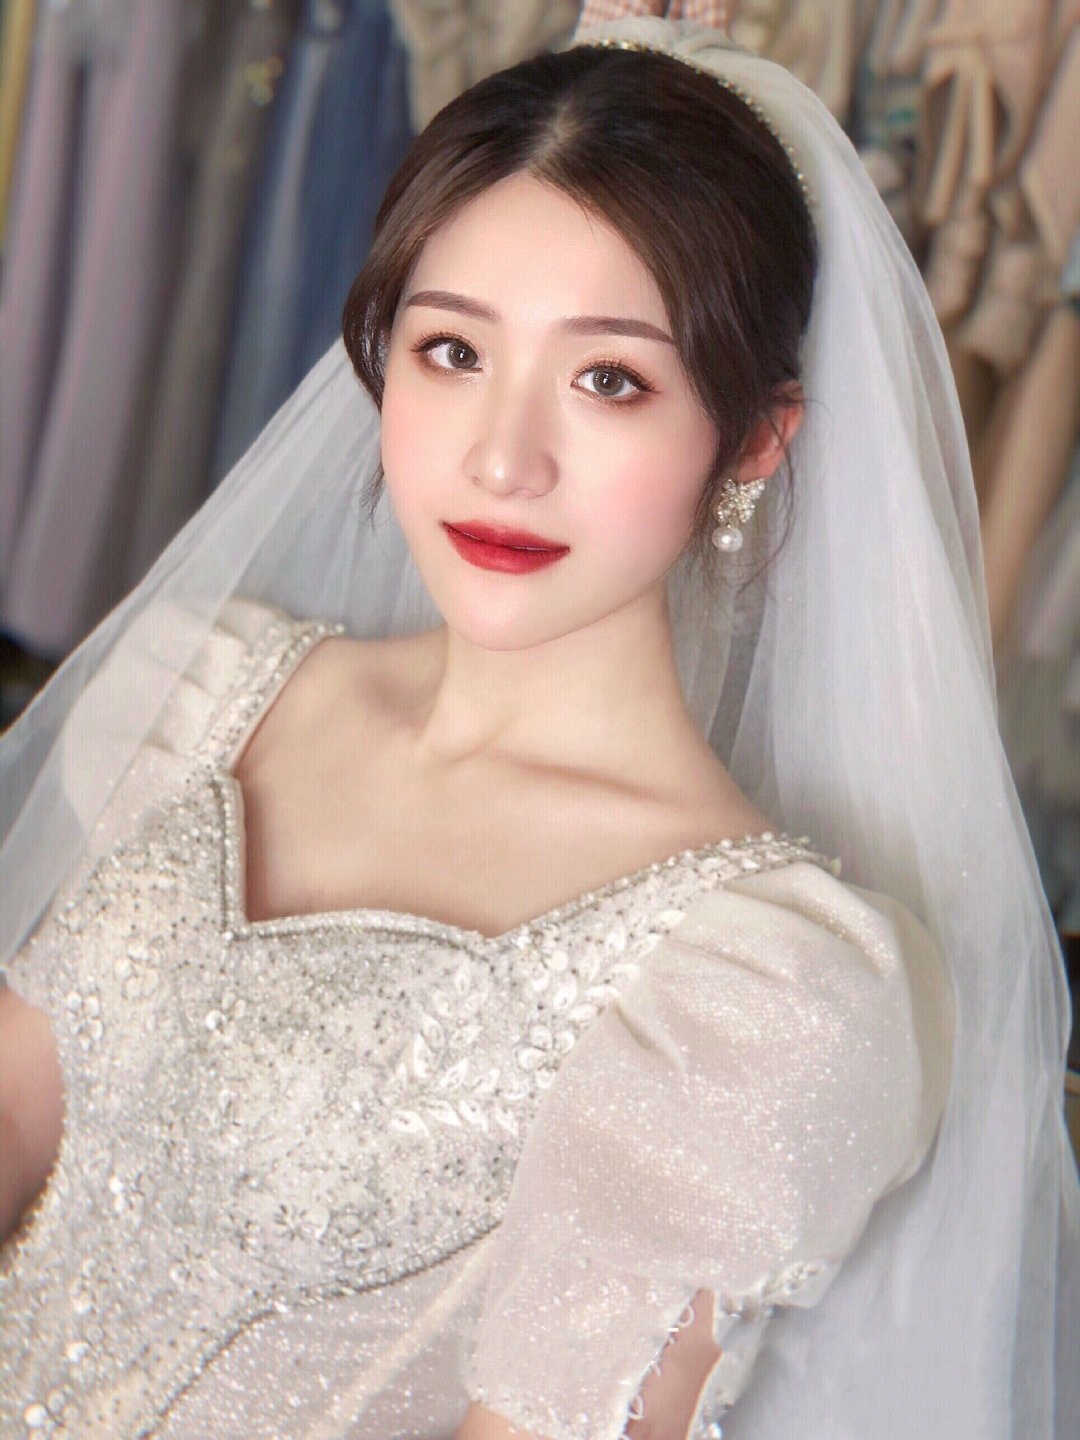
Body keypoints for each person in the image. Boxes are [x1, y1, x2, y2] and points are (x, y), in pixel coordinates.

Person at [0, 10, 1075, 1440]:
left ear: (754, 440)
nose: (503, 459)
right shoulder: (191, 702)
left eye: (609, 379)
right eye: (452, 351)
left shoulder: (747, 995)